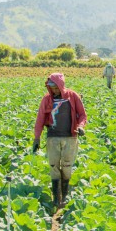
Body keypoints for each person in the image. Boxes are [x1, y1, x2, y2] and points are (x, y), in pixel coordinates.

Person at [32, 73, 87, 208]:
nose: (54, 90)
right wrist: (37, 138)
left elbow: (82, 115)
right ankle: (56, 197)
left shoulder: (72, 96)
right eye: (52, 88)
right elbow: (40, 119)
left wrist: (80, 126)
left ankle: (65, 195)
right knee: (53, 166)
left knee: (67, 166)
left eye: (56, 87)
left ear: (61, 86)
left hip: (70, 137)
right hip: (53, 137)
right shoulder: (47, 99)